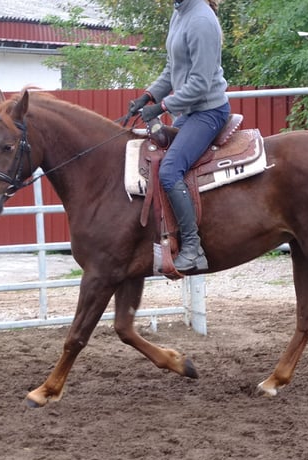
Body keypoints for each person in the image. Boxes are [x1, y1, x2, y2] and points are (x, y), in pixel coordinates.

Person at [130, 0, 229, 273]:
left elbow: (200, 83)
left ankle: (193, 249)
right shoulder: (180, 13)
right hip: (189, 112)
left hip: (208, 112)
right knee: (157, 160)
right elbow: (172, 69)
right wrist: (148, 95)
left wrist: (162, 106)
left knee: (171, 169)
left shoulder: (201, 20)